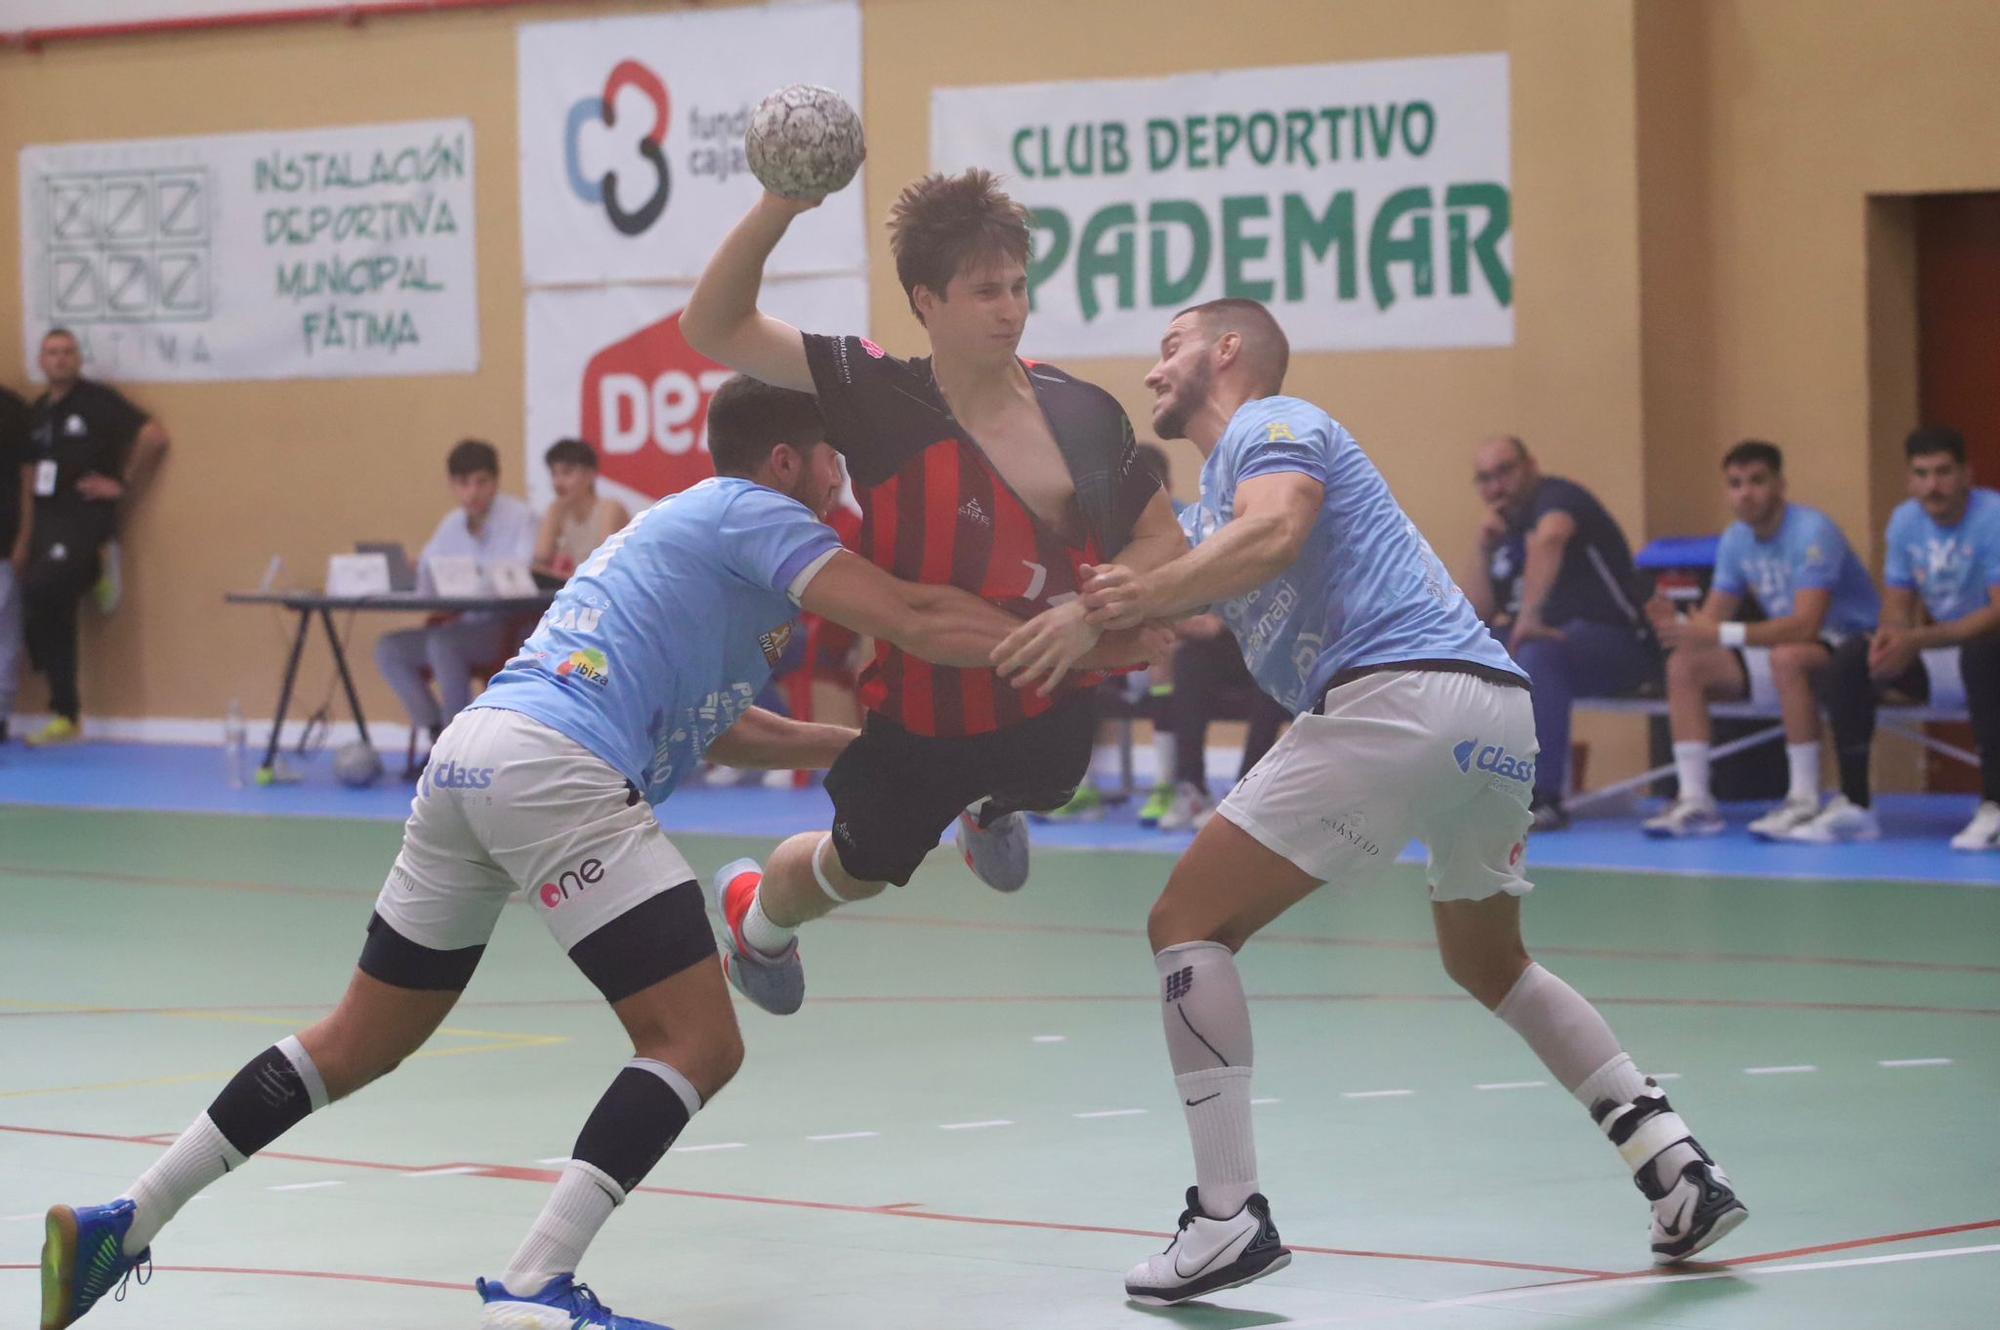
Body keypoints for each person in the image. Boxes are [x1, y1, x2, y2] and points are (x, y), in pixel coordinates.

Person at [39, 374, 1100, 1330]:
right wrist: (1064, 632)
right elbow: (913, 613)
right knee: (697, 1040)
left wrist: (878, 756)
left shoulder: (701, 543)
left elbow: (725, 726)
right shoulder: (758, 513)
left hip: (475, 761)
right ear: (786, 463)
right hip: (556, 767)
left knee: (356, 1039)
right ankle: (536, 1280)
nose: (844, 474)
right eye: (832, 455)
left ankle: (122, 1223)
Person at [998, 299, 1745, 1305]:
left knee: (1185, 920)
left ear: (1227, 350)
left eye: (1169, 346)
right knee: (1486, 957)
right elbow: (1189, 602)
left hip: (1397, 697)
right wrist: (1071, 627)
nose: (1151, 371)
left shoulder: (1273, 426)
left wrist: (1146, 594)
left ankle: (1226, 1216)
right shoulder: (1219, 511)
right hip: (1488, 718)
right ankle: (1672, 1163)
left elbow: (1276, 531)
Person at [681, 168, 1186, 1016]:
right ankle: (754, 921)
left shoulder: (1083, 413)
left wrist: (1095, 610)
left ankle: (989, 809)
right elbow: (712, 324)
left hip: (1048, 694)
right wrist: (783, 205)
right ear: (927, 301)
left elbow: (1162, 537)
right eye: (986, 291)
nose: (1011, 309)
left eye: (1020, 286)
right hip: (922, 721)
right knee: (859, 872)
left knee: (1055, 780)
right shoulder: (876, 394)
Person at [1641, 441, 1879, 838]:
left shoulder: (1813, 531)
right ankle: (1696, 801)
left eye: (1756, 481)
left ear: (1780, 484)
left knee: (1788, 657)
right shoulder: (1736, 539)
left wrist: (1715, 632)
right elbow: (1712, 621)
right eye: (1735, 484)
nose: (1745, 493)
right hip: (1787, 652)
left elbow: (1806, 625)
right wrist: (1682, 626)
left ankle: (1803, 800)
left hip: (1851, 650)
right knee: (1686, 665)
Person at [1811, 426, 2000, 848]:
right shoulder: (1905, 521)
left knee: (1983, 653)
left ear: (1967, 474)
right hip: (1941, 650)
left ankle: (1995, 806)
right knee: (1852, 655)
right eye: (1923, 474)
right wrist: (1891, 638)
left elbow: (1997, 612)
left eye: (1944, 472)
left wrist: (1919, 639)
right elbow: (1897, 605)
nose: (1934, 486)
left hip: (1987, 646)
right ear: (1909, 480)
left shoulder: (1993, 517)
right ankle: (1856, 803)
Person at [1457, 435, 1653, 829]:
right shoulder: (1504, 534)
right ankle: (1452, 787)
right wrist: (1483, 549)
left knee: (1535, 653)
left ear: (1531, 466)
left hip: (1619, 646)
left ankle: (1542, 797)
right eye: (1485, 479)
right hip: (1550, 650)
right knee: (1451, 657)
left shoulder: (1558, 498)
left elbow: (1551, 538)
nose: (1496, 486)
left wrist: (1529, 616)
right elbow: (1476, 614)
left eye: (1505, 471)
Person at [20, 328, 169, 746]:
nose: (60, 359)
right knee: (39, 602)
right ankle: (66, 713)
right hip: (46, 522)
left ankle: (100, 562)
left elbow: (154, 436)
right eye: (52, 353)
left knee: (46, 589)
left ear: (78, 359)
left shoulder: (98, 401)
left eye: (68, 352)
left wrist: (122, 483)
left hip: (84, 519)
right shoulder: (38, 413)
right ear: (41, 362)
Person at [374, 439, 537, 764]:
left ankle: (459, 753)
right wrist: (415, 568)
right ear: (452, 486)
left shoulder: (522, 518)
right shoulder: (451, 524)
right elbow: (428, 588)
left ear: (495, 481)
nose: (472, 493)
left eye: (481, 482)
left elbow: (521, 576)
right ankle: (438, 732)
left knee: (443, 645)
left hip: (503, 629)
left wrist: (472, 577)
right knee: (389, 648)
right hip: (459, 625)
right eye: (463, 484)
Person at [533, 437, 630, 583]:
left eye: (567, 473)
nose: (558, 482)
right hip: (581, 589)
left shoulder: (610, 509)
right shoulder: (559, 511)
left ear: (590, 475)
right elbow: (541, 559)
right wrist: (554, 514)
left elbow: (603, 564)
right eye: (554, 474)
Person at [1, 382, 29, 744]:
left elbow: (28, 477)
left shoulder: (11, 408)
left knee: (5, 636)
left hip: (4, 541)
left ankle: (1, 714)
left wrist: (25, 537)